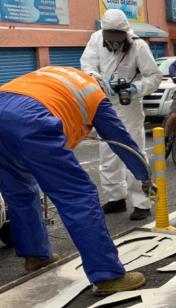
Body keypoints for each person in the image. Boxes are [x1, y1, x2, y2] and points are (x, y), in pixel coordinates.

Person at [0, 66, 155, 295]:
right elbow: (120, 139)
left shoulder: (56, 73)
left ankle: (36, 256)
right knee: (78, 196)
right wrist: (144, 175)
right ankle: (108, 276)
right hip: (31, 122)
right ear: (103, 87)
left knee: (20, 193)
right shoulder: (95, 95)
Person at [81, 9, 162, 221]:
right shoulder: (96, 39)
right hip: (104, 103)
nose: (114, 41)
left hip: (129, 107)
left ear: (126, 32)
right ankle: (115, 198)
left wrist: (135, 88)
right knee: (107, 154)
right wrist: (99, 80)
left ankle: (143, 203)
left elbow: (154, 76)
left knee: (134, 152)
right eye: (110, 35)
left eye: (118, 36)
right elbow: (87, 66)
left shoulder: (139, 46)